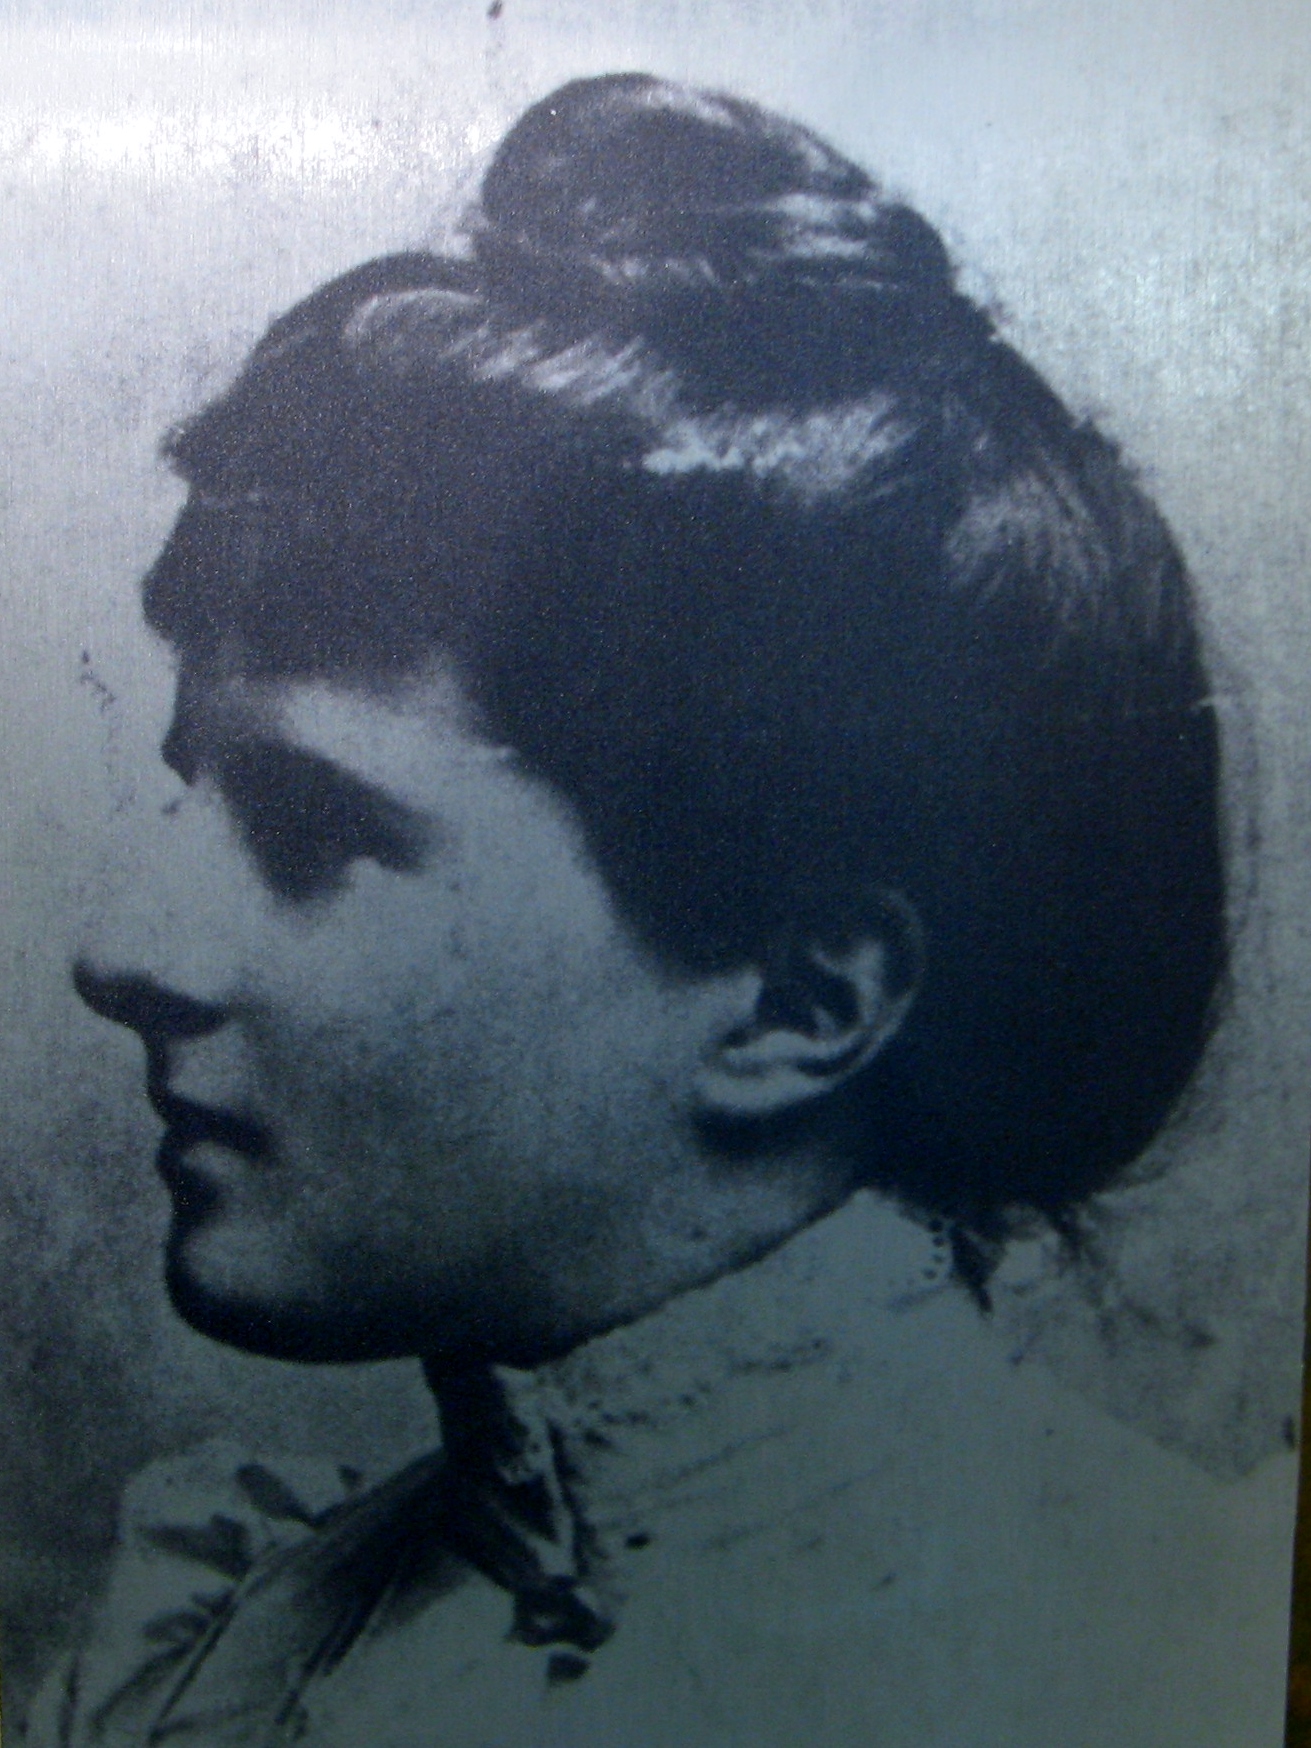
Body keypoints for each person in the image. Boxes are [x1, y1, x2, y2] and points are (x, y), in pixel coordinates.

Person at [35, 72, 1225, 1747]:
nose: (119, 950)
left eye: (314, 825)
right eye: (189, 789)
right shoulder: (220, 1660)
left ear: (805, 1001)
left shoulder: (1143, 1668)